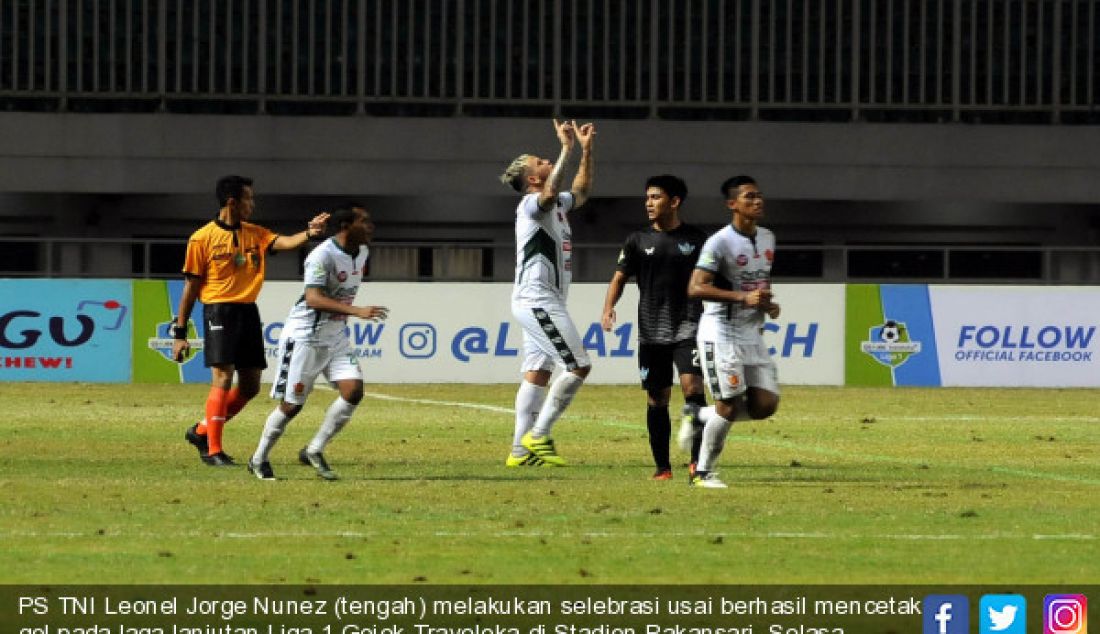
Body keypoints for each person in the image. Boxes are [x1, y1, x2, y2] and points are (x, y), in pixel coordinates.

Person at [172, 175, 329, 466]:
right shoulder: (201, 238)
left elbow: (283, 242)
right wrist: (179, 332)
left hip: (247, 311)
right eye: (249, 199)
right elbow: (190, 289)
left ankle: (202, 431)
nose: (252, 205)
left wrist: (309, 232)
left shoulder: (254, 233)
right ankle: (213, 450)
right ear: (232, 202)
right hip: (219, 310)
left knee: (250, 386)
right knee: (222, 377)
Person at [247, 205, 388, 481]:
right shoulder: (322, 255)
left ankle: (314, 449)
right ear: (346, 226)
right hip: (305, 337)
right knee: (292, 406)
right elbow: (313, 298)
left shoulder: (362, 253)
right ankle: (258, 458)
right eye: (364, 222)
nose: (371, 226)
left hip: (335, 336)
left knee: (353, 390)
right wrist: (357, 311)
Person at [498, 119, 595, 467]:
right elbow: (551, 194)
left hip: (542, 299)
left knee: (538, 373)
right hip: (537, 300)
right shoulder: (530, 205)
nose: (547, 161)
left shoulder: (555, 206)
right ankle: (538, 435)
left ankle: (519, 452)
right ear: (534, 179)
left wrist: (586, 150)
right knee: (579, 365)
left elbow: (581, 192)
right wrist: (566, 148)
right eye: (541, 161)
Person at [601, 174, 709, 480]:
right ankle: (662, 467)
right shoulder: (637, 240)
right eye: (647, 197)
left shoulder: (698, 240)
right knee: (657, 398)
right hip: (651, 331)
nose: (649, 203)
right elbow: (619, 277)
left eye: (656, 197)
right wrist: (608, 308)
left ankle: (697, 463)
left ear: (674, 202)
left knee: (693, 388)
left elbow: (713, 278)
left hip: (689, 327)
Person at [685, 175, 781, 489]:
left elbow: (757, 281)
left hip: (751, 332)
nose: (758, 201)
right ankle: (703, 472)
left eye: (760, 196)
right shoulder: (719, 242)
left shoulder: (768, 237)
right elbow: (696, 287)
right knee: (729, 403)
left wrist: (765, 304)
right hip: (721, 332)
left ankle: (699, 416)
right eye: (750, 197)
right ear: (732, 204)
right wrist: (743, 298)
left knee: (765, 405)